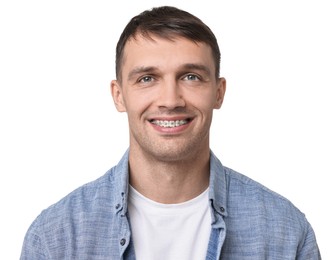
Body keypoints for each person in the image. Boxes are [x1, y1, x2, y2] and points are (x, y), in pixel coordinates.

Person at [20, 6, 321, 260]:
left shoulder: (286, 233)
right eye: (147, 78)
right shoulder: (54, 239)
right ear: (119, 95)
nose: (170, 100)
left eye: (191, 77)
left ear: (219, 92)